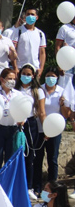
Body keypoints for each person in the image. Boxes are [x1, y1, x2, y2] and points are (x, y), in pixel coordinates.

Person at [33, 67, 70, 195]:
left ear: (57, 78)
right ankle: (37, 188)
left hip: (55, 130)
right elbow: (40, 111)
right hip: (40, 129)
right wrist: (45, 129)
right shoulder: (40, 90)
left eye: (53, 76)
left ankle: (52, 189)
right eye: (48, 75)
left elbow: (66, 115)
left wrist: (62, 105)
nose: (50, 78)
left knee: (52, 159)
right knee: (38, 159)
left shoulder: (62, 92)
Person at [0, 68, 25, 172]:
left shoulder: (18, 94)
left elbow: (24, 109)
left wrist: (23, 120)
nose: (12, 81)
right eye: (9, 78)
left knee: (10, 160)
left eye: (14, 79)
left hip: (13, 130)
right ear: (2, 79)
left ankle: (7, 186)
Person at [16, 64, 40, 200]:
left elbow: (40, 111)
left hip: (30, 124)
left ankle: (29, 187)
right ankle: (17, 186)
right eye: (23, 73)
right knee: (17, 155)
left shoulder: (36, 91)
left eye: (29, 74)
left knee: (30, 157)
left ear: (33, 76)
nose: (26, 76)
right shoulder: (15, 89)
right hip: (16, 124)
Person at [13, 8, 46, 76]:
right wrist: (15, 67)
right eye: (28, 14)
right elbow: (13, 50)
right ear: (25, 16)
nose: (30, 16)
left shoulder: (40, 34)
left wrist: (41, 68)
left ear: (36, 17)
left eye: (32, 14)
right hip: (20, 68)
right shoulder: (18, 31)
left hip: (35, 68)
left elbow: (42, 52)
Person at [55, 16, 75, 87]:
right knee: (66, 87)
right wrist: (60, 64)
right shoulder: (64, 28)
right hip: (67, 61)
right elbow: (57, 46)